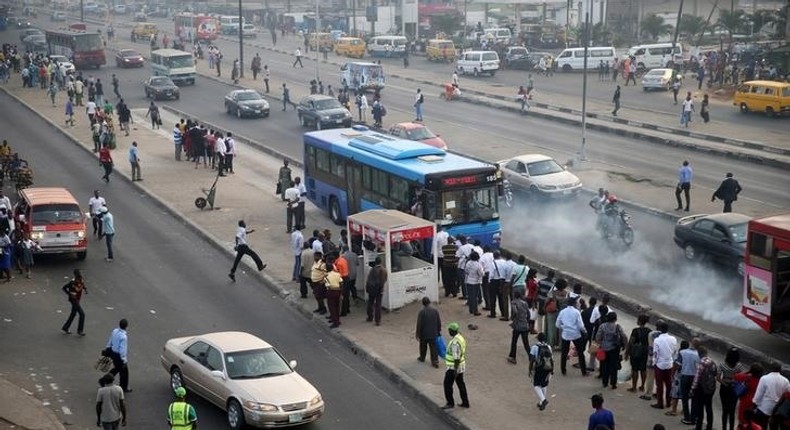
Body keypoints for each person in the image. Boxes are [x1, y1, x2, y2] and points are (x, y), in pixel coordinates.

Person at [556, 296, 588, 376]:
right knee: (580, 353)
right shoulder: (577, 312)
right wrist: (585, 331)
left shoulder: (562, 312)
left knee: (564, 353)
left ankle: (563, 370)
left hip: (566, 334)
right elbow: (581, 326)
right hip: (575, 334)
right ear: (574, 304)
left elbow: (557, 324)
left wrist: (564, 327)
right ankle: (584, 371)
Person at [752, 361, 790, 428]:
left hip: (764, 408)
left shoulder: (764, 378)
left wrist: (754, 405)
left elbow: (758, 395)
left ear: (770, 368)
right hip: (777, 411)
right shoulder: (786, 381)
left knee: (761, 427)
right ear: (780, 370)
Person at [718, 347, 747, 430]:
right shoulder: (739, 366)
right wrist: (733, 382)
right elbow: (742, 378)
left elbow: (718, 377)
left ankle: (724, 428)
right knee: (732, 411)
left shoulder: (722, 365)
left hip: (724, 389)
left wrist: (725, 383)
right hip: (734, 389)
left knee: (725, 411)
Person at [690, 345, 718, 430]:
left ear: (699, 354)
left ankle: (699, 426)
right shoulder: (712, 362)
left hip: (701, 388)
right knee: (709, 408)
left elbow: (697, 378)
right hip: (710, 388)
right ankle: (709, 426)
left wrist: (692, 388)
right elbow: (715, 374)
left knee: (700, 407)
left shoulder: (701, 363)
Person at [442, 322, 469, 409]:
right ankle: (465, 402)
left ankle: (450, 403)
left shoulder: (454, 343)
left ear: (452, 331)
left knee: (447, 384)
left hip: (453, 367)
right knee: (461, 384)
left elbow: (456, 357)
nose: (448, 332)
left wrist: (455, 370)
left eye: (449, 331)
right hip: (461, 365)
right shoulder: (460, 337)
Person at [652, 320, 678, 409]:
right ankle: (668, 402)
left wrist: (654, 363)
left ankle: (660, 403)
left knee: (659, 385)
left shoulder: (657, 340)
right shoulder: (673, 339)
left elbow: (656, 354)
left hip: (660, 364)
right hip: (669, 363)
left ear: (660, 329)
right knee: (669, 384)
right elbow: (675, 352)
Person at [625, 314, 651, 394]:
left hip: (635, 352)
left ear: (639, 321)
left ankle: (634, 387)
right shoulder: (649, 331)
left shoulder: (635, 330)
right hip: (645, 352)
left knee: (635, 369)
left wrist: (627, 352)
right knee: (643, 369)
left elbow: (631, 342)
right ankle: (642, 386)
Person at [529, 332, 553, 410]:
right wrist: (552, 369)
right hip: (548, 368)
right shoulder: (548, 347)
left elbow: (532, 359)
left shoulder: (535, 347)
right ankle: (541, 402)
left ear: (538, 338)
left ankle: (543, 400)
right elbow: (551, 359)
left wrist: (530, 369)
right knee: (544, 385)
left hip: (539, 368)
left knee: (536, 385)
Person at [105, 319, 130, 392]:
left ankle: (104, 380)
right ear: (126, 326)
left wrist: (107, 348)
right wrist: (124, 360)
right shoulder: (123, 337)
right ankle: (123, 387)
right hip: (119, 356)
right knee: (124, 372)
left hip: (113, 352)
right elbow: (122, 350)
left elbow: (110, 340)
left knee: (117, 368)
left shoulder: (115, 331)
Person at [416, 297, 441, 368]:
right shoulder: (435, 311)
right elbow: (439, 322)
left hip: (424, 334)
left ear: (423, 304)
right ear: (429, 302)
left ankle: (422, 357)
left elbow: (419, 324)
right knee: (433, 348)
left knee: (423, 346)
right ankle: (435, 361)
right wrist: (438, 331)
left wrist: (417, 333)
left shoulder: (421, 312)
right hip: (433, 333)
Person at [507, 289, 530, 364]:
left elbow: (515, 312)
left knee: (514, 341)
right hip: (525, 325)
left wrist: (513, 318)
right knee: (526, 343)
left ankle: (513, 356)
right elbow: (528, 314)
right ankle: (531, 357)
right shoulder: (525, 303)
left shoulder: (513, 302)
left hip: (517, 325)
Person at [61, 269, 87, 335]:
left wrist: (85, 289)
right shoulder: (72, 283)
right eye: (78, 277)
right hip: (73, 300)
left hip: (78, 299)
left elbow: (82, 285)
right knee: (82, 314)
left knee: (73, 314)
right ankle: (80, 330)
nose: (79, 279)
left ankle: (65, 327)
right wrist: (69, 294)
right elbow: (64, 288)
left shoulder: (81, 280)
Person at [366, 257, 387, 326]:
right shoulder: (383, 270)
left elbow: (368, 279)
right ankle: (377, 320)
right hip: (378, 289)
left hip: (371, 289)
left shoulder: (372, 269)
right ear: (381, 262)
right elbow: (383, 280)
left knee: (370, 303)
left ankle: (370, 317)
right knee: (378, 305)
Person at [464, 251, 484, 316]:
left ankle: (471, 309)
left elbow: (466, 271)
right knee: (475, 297)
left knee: (470, 296)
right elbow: (481, 274)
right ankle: (475, 311)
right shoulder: (478, 265)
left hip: (469, 281)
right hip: (476, 282)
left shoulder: (468, 263)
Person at [325, 261, 343, 328]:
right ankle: (337, 320)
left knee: (332, 308)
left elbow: (328, 286)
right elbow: (341, 282)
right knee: (337, 306)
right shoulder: (337, 274)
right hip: (338, 292)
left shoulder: (326, 276)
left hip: (331, 292)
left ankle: (335, 322)